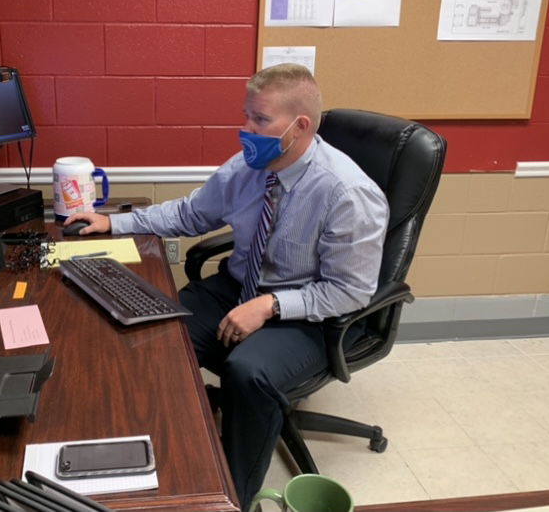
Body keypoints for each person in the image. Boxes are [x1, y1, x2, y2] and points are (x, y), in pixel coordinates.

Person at [64, 63, 389, 510]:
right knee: (155, 332)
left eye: (259, 120)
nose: (245, 130)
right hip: (239, 287)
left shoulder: (347, 192)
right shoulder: (250, 166)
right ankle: (149, 465)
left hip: (310, 313)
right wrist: (114, 221)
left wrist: (270, 306)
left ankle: (231, 499)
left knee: (247, 373)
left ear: (300, 126)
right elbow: (191, 214)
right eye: (246, 116)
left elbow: (350, 291)